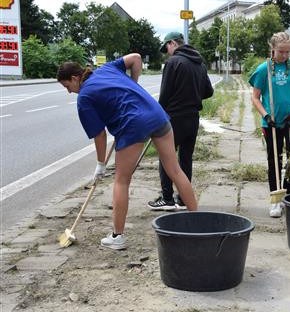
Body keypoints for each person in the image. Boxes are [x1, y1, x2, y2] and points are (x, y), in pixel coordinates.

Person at [57, 54, 198, 250]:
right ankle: (198, 222)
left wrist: (100, 165)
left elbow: (99, 135)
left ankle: (117, 237)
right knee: (175, 170)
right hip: (156, 114)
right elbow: (136, 58)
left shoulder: (84, 97)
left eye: (67, 86)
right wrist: (133, 84)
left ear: (74, 78)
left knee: (121, 180)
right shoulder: (106, 69)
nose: (69, 91)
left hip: (133, 124)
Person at [147, 32, 214, 211]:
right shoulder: (199, 62)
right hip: (193, 118)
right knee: (186, 158)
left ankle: (167, 198)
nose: (167, 52)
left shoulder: (173, 62)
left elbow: (165, 94)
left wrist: (156, 116)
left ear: (173, 43)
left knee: (166, 157)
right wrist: (192, 95)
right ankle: (184, 199)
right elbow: (209, 91)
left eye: (167, 47)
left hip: (173, 118)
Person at [249, 32, 290, 218]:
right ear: (273, 49)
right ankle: (275, 200)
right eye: (281, 51)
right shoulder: (263, 70)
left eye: (288, 52)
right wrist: (266, 116)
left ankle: (288, 196)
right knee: (274, 160)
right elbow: (255, 98)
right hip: (272, 122)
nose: (284, 55)